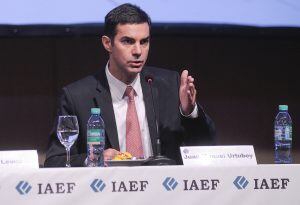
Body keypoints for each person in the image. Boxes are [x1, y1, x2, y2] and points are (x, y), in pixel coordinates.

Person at [44, 3, 215, 167]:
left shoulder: (169, 85)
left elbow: (207, 145)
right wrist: (91, 159)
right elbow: (54, 160)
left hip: (164, 190)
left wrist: (189, 113)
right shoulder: (77, 96)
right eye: (128, 41)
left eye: (144, 42)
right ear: (107, 43)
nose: (138, 51)